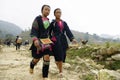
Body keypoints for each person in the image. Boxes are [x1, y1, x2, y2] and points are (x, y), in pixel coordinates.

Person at [50, 8, 77, 77]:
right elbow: (48, 32)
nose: (58, 14)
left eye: (60, 12)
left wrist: (72, 38)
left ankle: (59, 68)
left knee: (63, 54)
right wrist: (49, 39)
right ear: (54, 14)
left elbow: (68, 31)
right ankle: (61, 71)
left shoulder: (64, 23)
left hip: (63, 40)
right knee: (59, 55)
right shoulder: (52, 23)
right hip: (55, 40)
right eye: (57, 12)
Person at [29, 5, 51, 80]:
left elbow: (49, 32)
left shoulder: (48, 20)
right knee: (36, 59)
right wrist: (35, 39)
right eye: (46, 9)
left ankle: (45, 76)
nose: (47, 11)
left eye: (49, 10)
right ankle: (31, 66)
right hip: (38, 42)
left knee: (47, 57)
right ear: (42, 10)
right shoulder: (37, 19)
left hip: (46, 42)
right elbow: (34, 30)